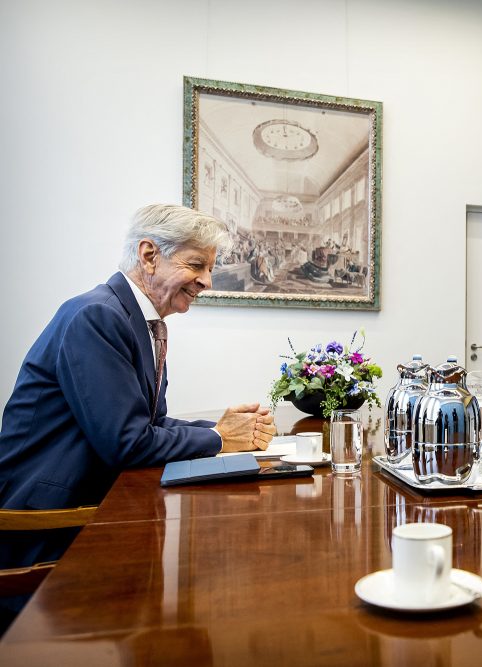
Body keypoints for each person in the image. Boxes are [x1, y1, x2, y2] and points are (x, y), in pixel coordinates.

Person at [0, 205, 277, 603]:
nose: (207, 281)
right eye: (197, 264)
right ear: (149, 255)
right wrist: (218, 438)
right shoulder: (97, 315)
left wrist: (224, 428)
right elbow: (127, 443)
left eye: (210, 268)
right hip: (44, 522)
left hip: (90, 507)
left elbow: (152, 423)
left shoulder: (139, 320)